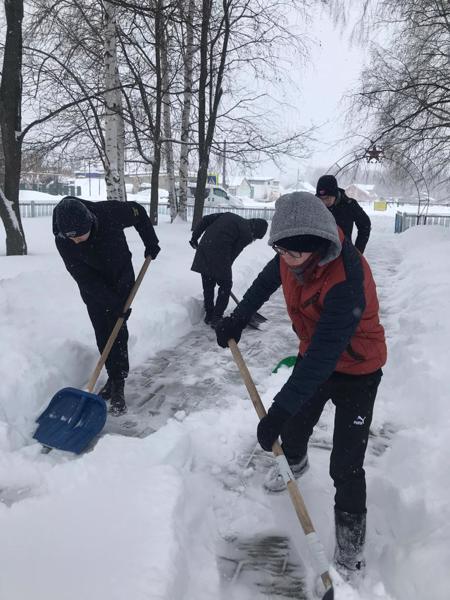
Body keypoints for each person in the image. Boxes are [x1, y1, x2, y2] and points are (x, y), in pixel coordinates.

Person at [215, 192, 386, 579]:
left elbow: (327, 356)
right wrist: (237, 318)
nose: (285, 260)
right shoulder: (291, 252)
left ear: (317, 245)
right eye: (280, 250)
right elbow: (263, 283)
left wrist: (278, 409)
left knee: (345, 465)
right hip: (318, 353)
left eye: (293, 254)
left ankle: (350, 551)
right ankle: (294, 461)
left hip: (358, 366)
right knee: (293, 429)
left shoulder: (346, 278)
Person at [53, 196, 160, 416]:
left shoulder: (110, 213)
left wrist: (150, 240)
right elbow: (82, 276)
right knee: (102, 328)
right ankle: (112, 377)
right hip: (93, 286)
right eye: (73, 239)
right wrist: (110, 303)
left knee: (117, 326)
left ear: (91, 221)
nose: (78, 242)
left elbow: (138, 211)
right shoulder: (63, 237)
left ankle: (118, 380)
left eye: (82, 236)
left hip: (120, 275)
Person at [189, 212, 268, 328]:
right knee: (226, 286)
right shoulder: (247, 234)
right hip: (220, 254)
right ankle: (216, 318)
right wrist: (222, 273)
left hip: (204, 249)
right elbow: (233, 254)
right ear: (255, 232)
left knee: (208, 284)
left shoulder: (229, 215)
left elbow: (205, 220)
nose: (254, 240)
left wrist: (194, 237)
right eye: (256, 238)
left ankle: (209, 315)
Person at [316, 174, 371, 254]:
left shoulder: (349, 205)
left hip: (343, 254)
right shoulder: (315, 205)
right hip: (319, 255)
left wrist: (358, 251)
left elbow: (365, 225)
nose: (324, 202)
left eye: (327, 198)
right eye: (321, 199)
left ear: (334, 194)